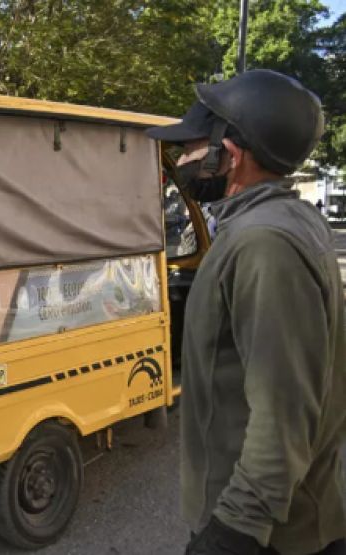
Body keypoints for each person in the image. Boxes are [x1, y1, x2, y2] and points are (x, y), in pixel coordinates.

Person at [146, 70, 346, 555]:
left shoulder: (264, 243)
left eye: (189, 149)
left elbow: (282, 416)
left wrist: (232, 534)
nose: (181, 161)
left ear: (229, 156)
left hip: (273, 537)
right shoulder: (284, 220)